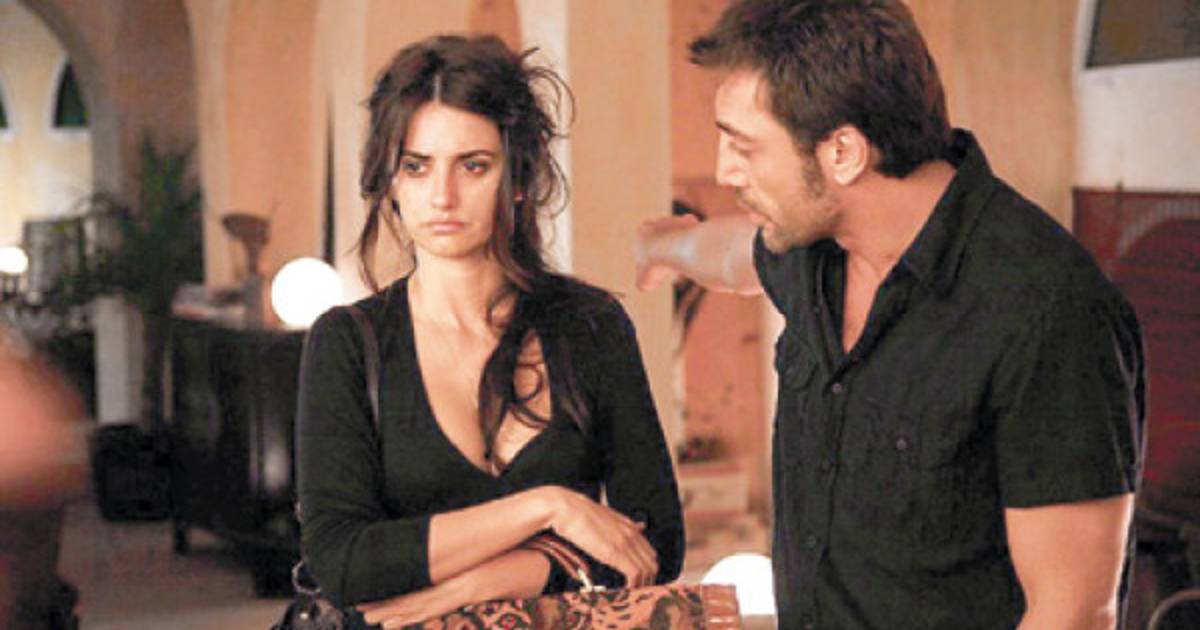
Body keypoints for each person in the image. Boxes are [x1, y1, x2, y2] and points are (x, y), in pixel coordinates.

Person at [635, 1, 1145, 628]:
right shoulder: (813, 247)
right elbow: (735, 254)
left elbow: (1073, 612)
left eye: (744, 147)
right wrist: (663, 249)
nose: (724, 171)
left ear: (843, 153)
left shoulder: (1047, 313)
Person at [296, 34, 684, 629]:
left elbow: (655, 543)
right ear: (391, 182)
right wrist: (549, 508)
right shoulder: (347, 342)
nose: (442, 196)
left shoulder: (592, 326)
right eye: (416, 166)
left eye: (473, 165)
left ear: (519, 177)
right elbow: (345, 562)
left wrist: (482, 584)